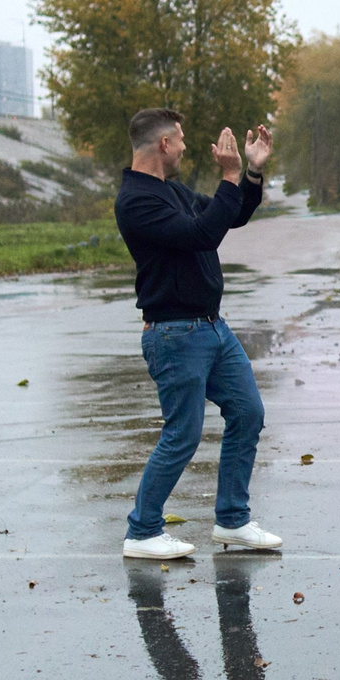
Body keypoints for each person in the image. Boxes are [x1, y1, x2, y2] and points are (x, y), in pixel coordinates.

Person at [113, 106, 283, 561]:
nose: (187, 146)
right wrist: (227, 176)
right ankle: (143, 531)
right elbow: (202, 235)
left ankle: (233, 521)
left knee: (248, 412)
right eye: (182, 139)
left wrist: (249, 173)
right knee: (183, 435)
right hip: (174, 334)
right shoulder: (136, 201)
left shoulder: (173, 191)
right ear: (163, 144)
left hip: (211, 328)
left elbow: (231, 217)